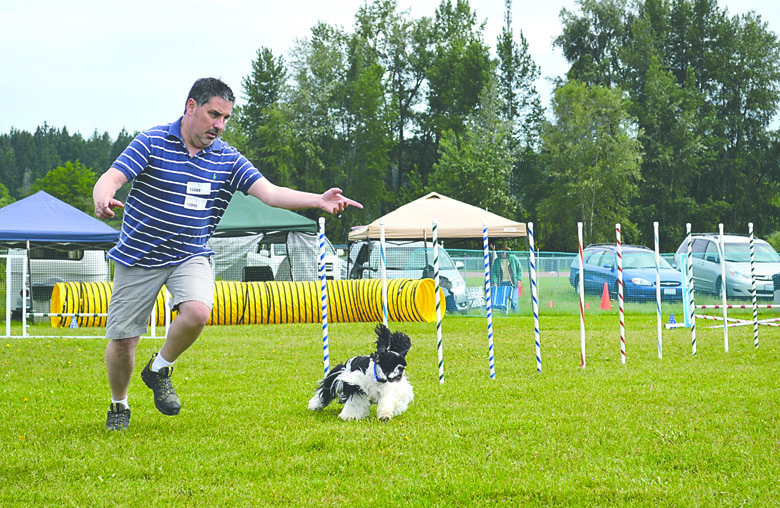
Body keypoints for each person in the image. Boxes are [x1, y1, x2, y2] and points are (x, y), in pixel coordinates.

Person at [93, 78, 362, 431]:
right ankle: (119, 404)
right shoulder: (152, 141)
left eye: (226, 118)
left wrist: (318, 200)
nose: (219, 125)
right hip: (140, 254)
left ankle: (159, 368)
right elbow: (111, 177)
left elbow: (270, 193)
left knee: (198, 313)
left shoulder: (227, 158)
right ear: (191, 107)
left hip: (189, 253)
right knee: (125, 340)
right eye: (213, 114)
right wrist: (103, 196)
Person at [490, 242, 523, 313]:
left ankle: (516, 315)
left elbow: (519, 269)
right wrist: (495, 282)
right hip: (502, 284)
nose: (502, 253)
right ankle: (503, 316)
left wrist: (519, 279)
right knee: (503, 302)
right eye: (500, 252)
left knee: (514, 302)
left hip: (513, 283)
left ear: (506, 251)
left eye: (503, 252)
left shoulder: (513, 259)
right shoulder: (497, 261)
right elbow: (494, 273)